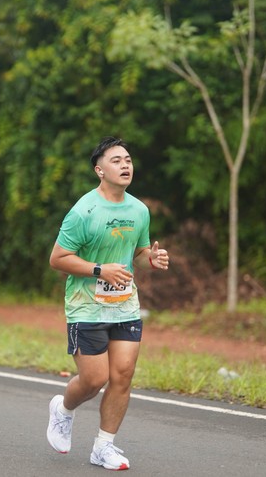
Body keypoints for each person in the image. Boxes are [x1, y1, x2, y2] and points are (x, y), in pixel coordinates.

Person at [46, 136, 169, 471]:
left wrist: (150, 259)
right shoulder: (83, 211)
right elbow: (58, 259)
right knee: (93, 379)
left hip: (124, 305)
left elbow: (138, 254)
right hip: (85, 307)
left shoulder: (139, 210)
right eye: (116, 160)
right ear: (99, 170)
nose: (125, 165)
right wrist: (100, 269)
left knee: (123, 375)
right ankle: (63, 410)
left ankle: (104, 446)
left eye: (128, 159)